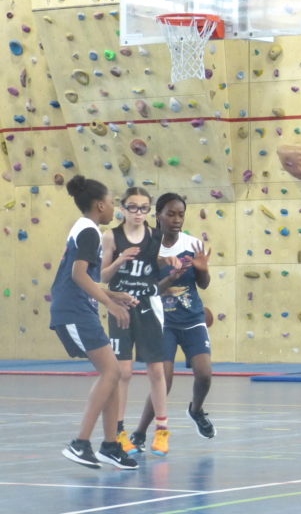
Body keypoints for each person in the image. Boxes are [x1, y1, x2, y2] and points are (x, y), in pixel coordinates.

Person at [50, 175, 139, 470]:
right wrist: (109, 304)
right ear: (100, 205)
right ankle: (80, 443)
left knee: (112, 374)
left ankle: (110, 446)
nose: (114, 207)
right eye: (112, 202)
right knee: (112, 372)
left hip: (79, 308)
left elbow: (83, 277)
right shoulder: (89, 231)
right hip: (74, 311)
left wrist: (113, 294)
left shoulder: (84, 229)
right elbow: (77, 275)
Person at [130, 192, 215, 450]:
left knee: (204, 374)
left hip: (192, 318)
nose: (177, 219)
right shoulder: (147, 248)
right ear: (158, 215)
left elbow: (203, 284)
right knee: (163, 382)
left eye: (181, 214)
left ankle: (196, 410)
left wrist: (203, 271)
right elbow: (147, 289)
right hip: (161, 322)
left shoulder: (193, 244)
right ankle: (140, 433)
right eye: (171, 214)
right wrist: (170, 278)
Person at [101, 187, 177, 457]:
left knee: (156, 369)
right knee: (123, 372)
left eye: (144, 208)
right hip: (120, 305)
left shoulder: (155, 236)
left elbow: (151, 262)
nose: (138, 212)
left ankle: (162, 430)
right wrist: (120, 260)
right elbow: (103, 277)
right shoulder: (111, 236)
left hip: (148, 305)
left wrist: (167, 261)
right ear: (122, 208)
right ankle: (119, 432)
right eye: (133, 207)